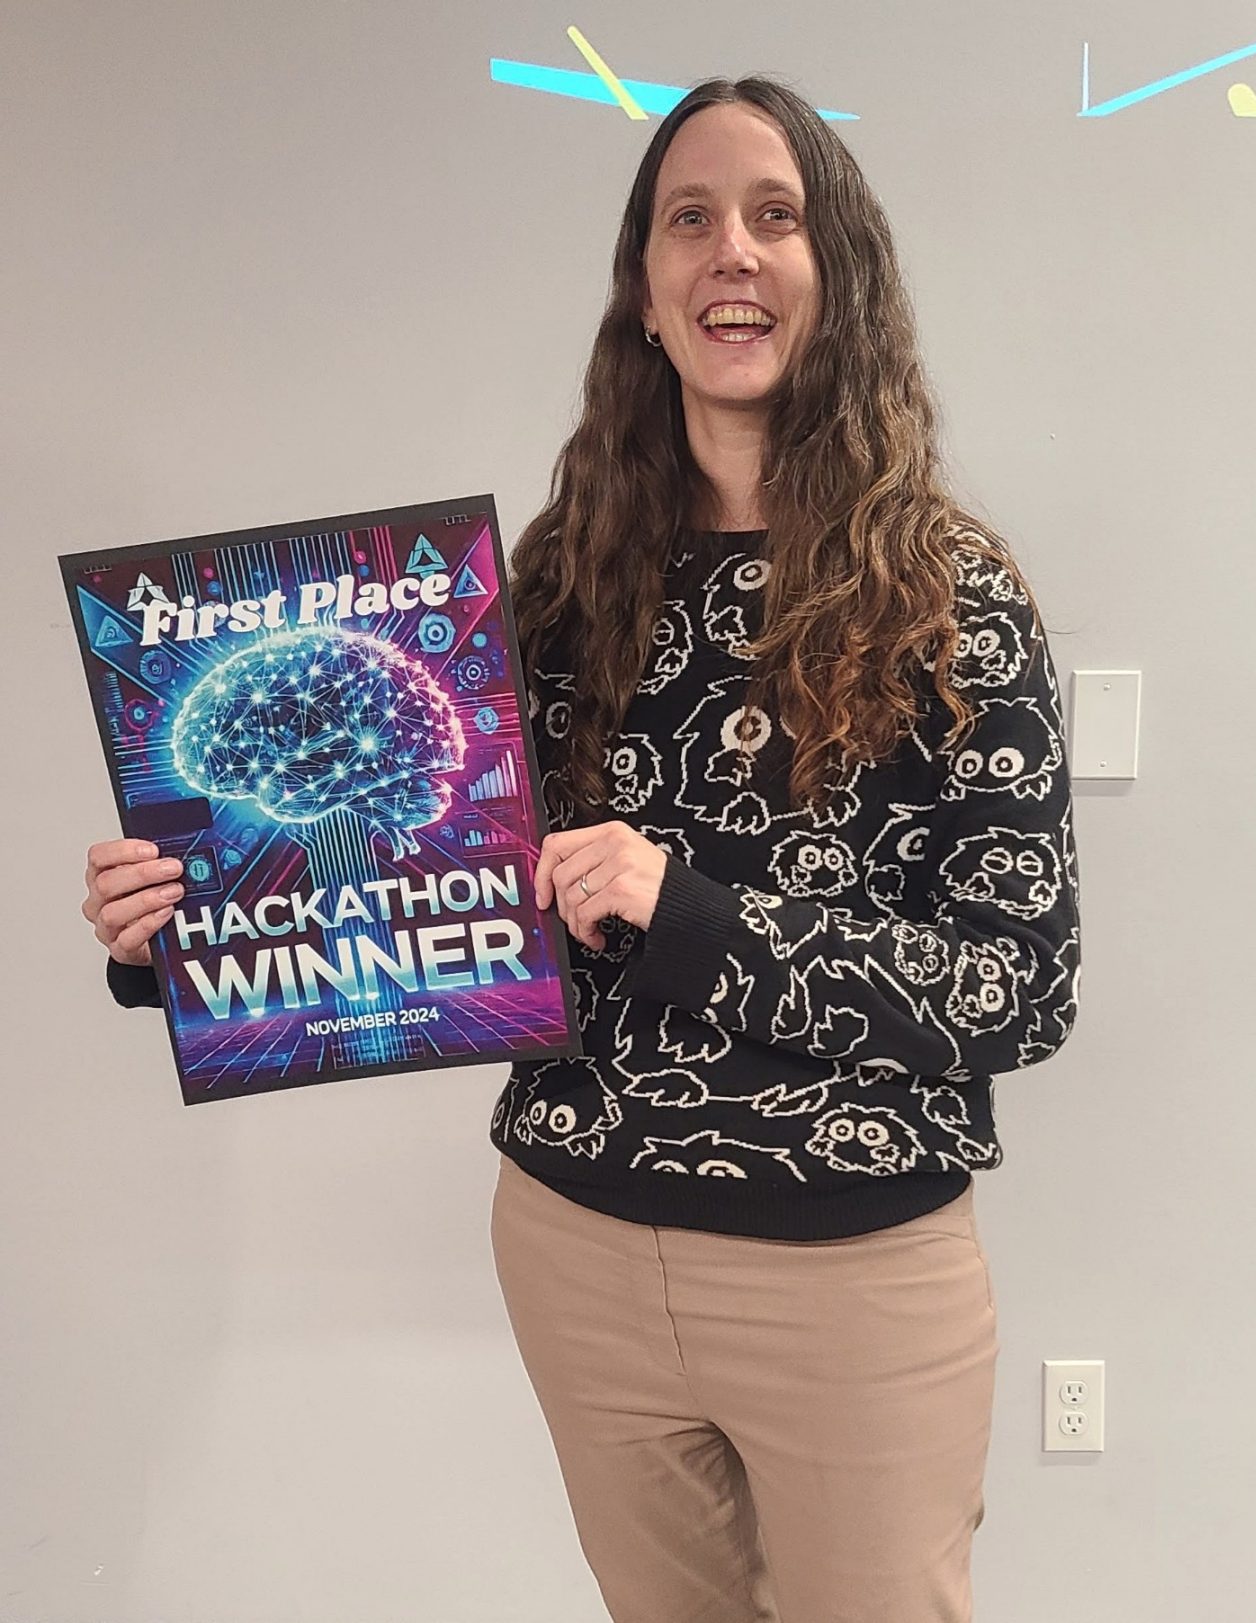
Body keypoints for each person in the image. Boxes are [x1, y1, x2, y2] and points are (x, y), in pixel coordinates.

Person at [82, 76, 1081, 1623]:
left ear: (842, 273)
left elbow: (1022, 986)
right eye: (689, 220)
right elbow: (446, 900)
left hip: (849, 1275)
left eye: (774, 215)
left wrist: (693, 914)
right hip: (577, 1249)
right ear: (646, 288)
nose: (729, 252)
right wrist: (191, 938)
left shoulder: (951, 594)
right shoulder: (558, 582)